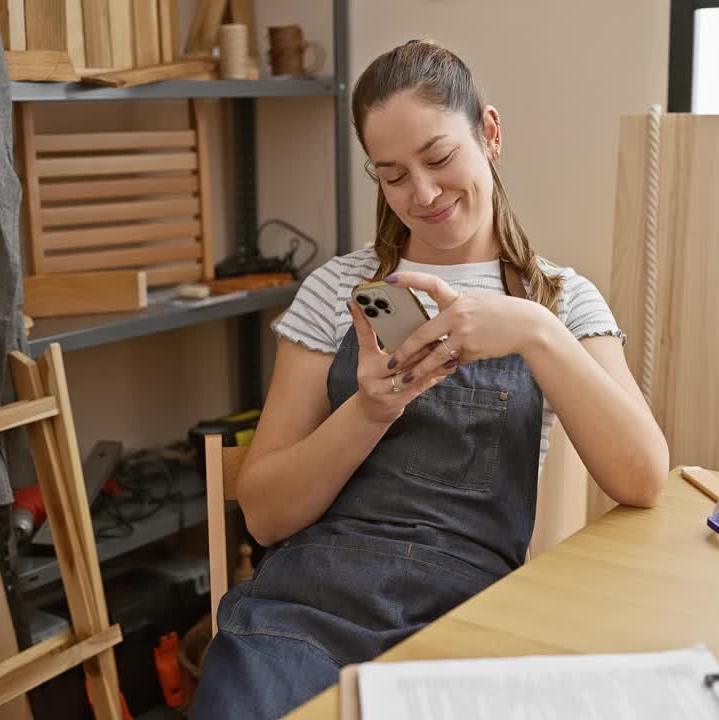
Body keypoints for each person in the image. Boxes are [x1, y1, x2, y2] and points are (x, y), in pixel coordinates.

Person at [191, 39, 669, 719]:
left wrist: (534, 331)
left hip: (471, 617)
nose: (422, 194)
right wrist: (369, 410)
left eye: (439, 158)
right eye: (392, 174)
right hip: (304, 612)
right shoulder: (340, 290)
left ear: (491, 133)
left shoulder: (561, 300)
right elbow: (266, 518)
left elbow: (644, 477)